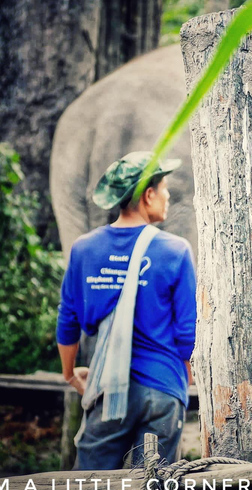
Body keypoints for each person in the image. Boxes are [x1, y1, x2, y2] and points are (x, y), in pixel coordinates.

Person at [56, 151, 197, 469]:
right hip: (161, 392)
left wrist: (69, 374)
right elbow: (187, 330)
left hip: (107, 390)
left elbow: (68, 319)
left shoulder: (84, 249)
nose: (168, 194)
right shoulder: (175, 251)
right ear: (148, 195)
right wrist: (180, 378)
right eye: (163, 188)